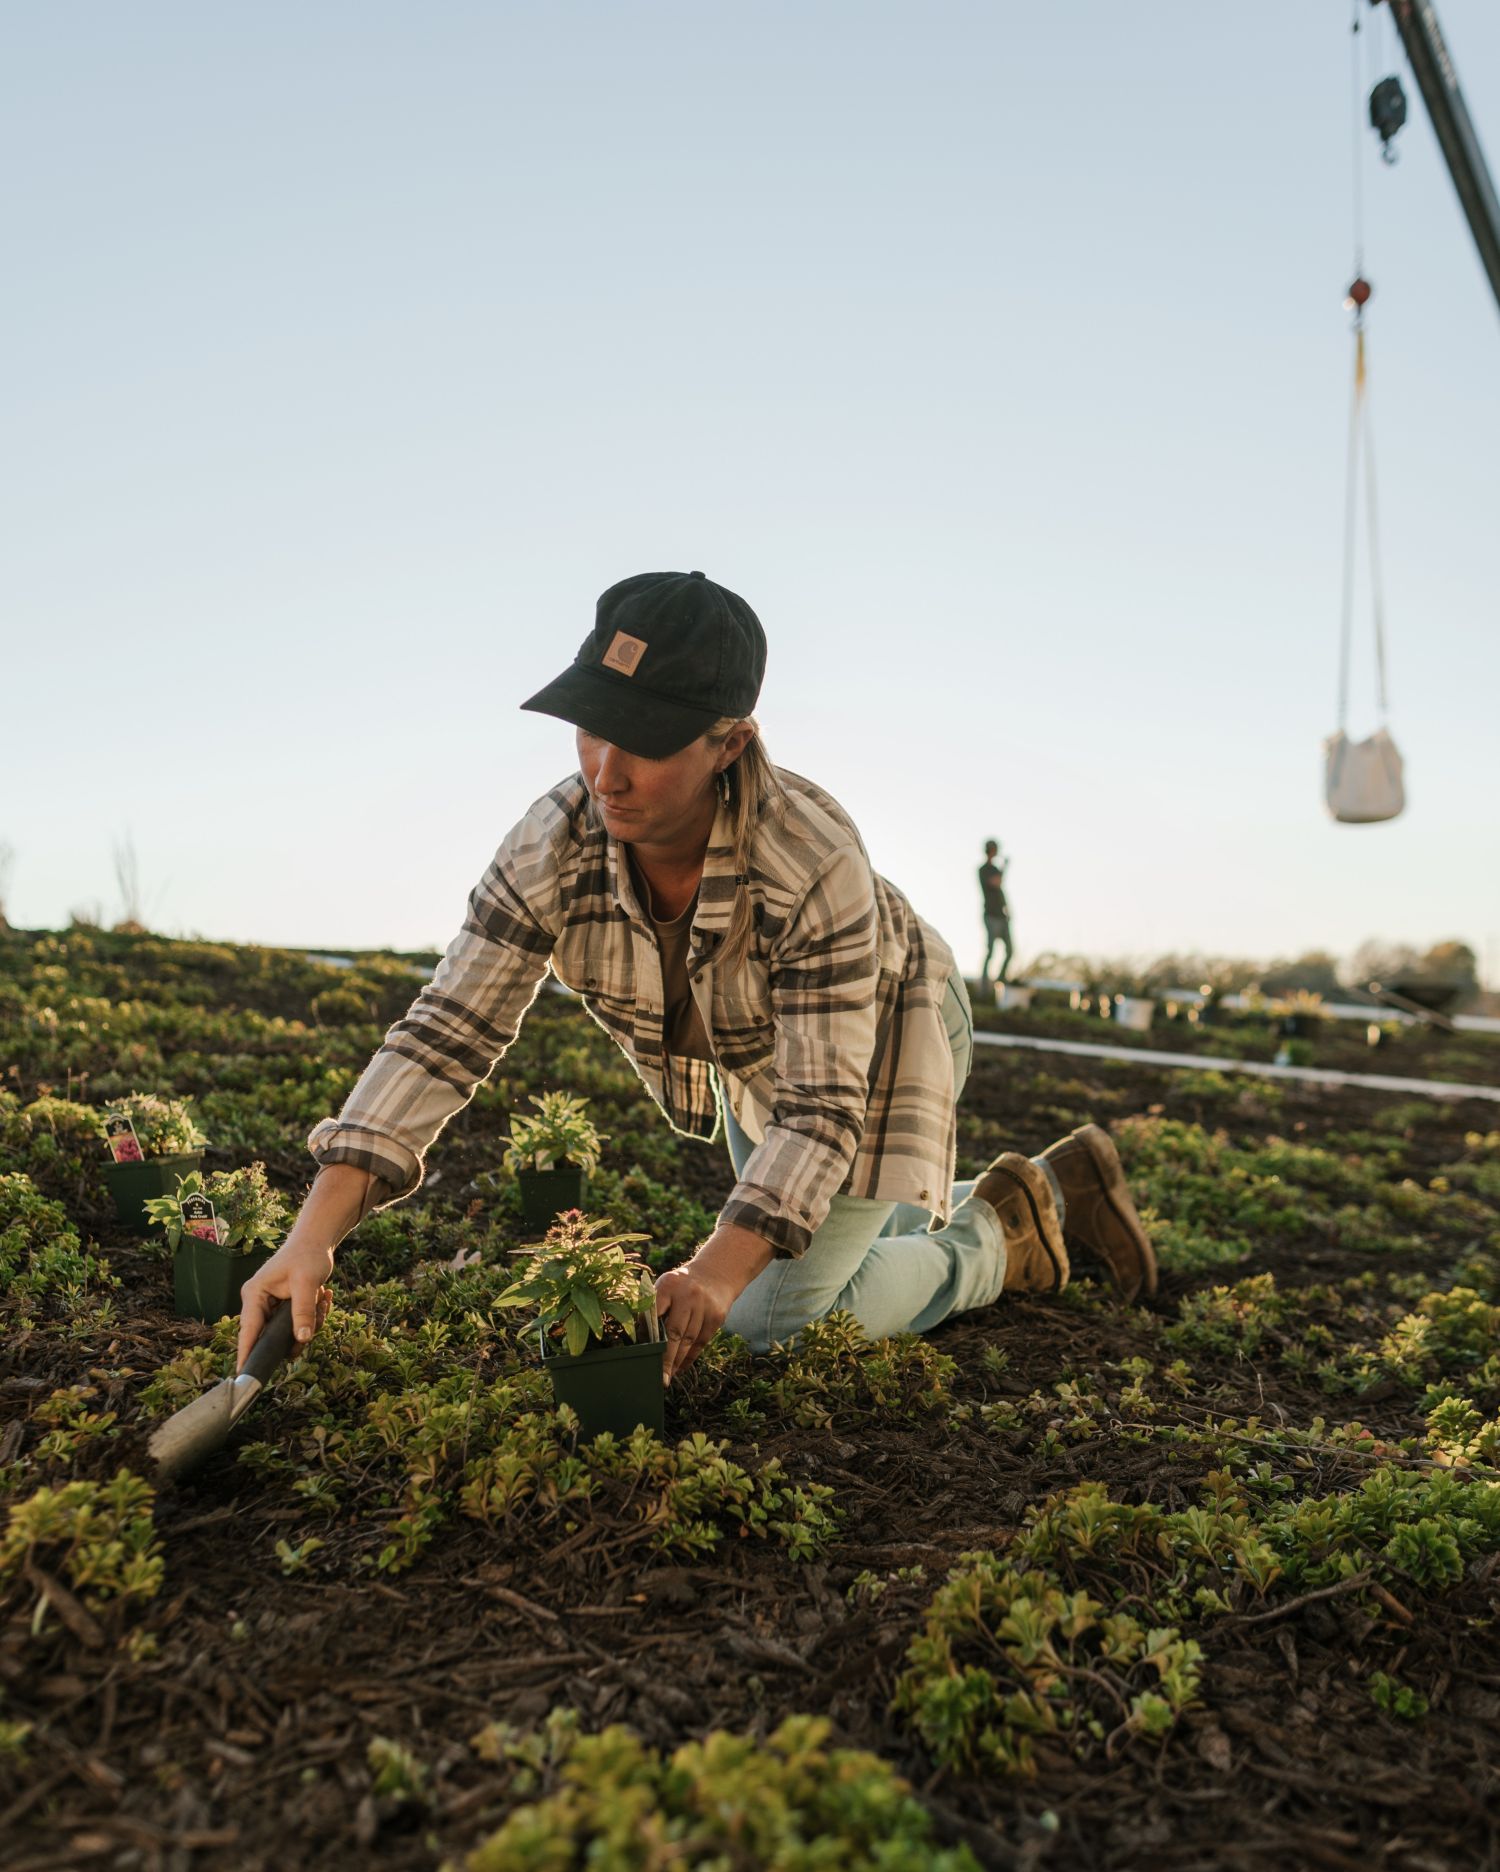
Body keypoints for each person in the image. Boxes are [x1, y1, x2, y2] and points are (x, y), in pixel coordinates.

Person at [235, 571, 1157, 1382]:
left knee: (770, 1318)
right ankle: (1041, 1185)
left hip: (888, 1024)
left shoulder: (809, 859)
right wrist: (310, 1238)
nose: (606, 773)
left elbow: (821, 1111)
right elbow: (446, 1031)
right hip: (755, 1055)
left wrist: (715, 1272)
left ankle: (1001, 1234)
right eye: (592, 728)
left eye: (644, 740)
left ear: (730, 744)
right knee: (815, 1239)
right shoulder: (554, 842)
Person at [979, 839, 1013, 983]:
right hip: (991, 915)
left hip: (1001, 915)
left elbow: (1000, 891)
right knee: (990, 952)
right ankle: (984, 984)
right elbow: (995, 883)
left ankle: (1000, 979)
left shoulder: (996, 870)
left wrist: (1007, 909)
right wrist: (1004, 867)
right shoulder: (983, 870)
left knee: (1010, 951)